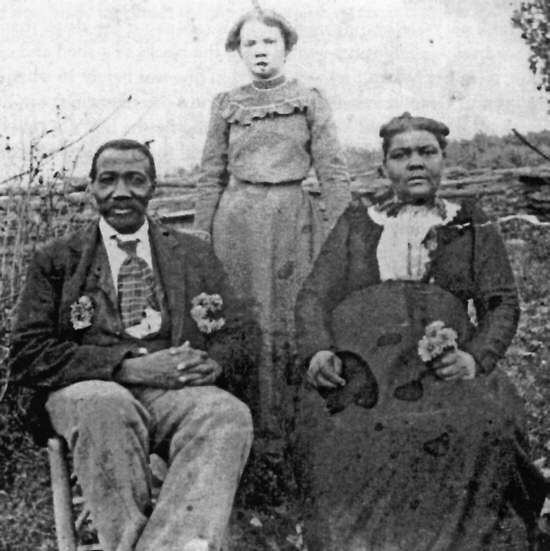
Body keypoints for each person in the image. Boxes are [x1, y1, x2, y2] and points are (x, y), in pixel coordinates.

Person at [293, 113, 546, 550]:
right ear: (383, 168)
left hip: (444, 365)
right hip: (368, 365)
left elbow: (501, 302)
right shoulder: (358, 221)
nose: (415, 163)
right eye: (401, 155)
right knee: (341, 429)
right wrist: (317, 352)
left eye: (426, 152)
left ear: (443, 161)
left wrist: (474, 358)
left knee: (483, 421)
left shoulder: (469, 222)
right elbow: (314, 295)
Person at [9, 139, 257, 551]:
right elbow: (27, 354)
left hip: (171, 392)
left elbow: (241, 333)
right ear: (91, 187)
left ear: (153, 187)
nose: (121, 191)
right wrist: (125, 367)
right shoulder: (57, 260)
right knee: (107, 403)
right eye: (108, 180)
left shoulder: (192, 254)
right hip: (84, 391)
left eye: (134, 180)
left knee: (224, 413)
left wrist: (213, 365)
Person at [193, 7, 351, 443]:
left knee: (294, 312)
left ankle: (298, 428)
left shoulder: (309, 99)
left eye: (269, 42)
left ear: (286, 47)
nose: (260, 51)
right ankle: (244, 429)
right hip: (237, 221)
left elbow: (333, 171)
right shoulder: (226, 105)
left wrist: (347, 236)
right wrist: (202, 237)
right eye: (250, 44)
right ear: (238, 51)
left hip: (292, 219)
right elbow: (211, 174)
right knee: (242, 315)